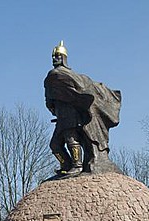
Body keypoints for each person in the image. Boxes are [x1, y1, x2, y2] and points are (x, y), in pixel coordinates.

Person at [44, 41, 122, 175]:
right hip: (61, 115)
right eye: (53, 57)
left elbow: (81, 90)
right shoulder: (52, 78)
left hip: (70, 115)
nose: (54, 59)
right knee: (55, 145)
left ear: (63, 59)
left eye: (57, 56)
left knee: (71, 139)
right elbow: (50, 99)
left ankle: (77, 166)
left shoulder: (61, 75)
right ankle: (66, 164)